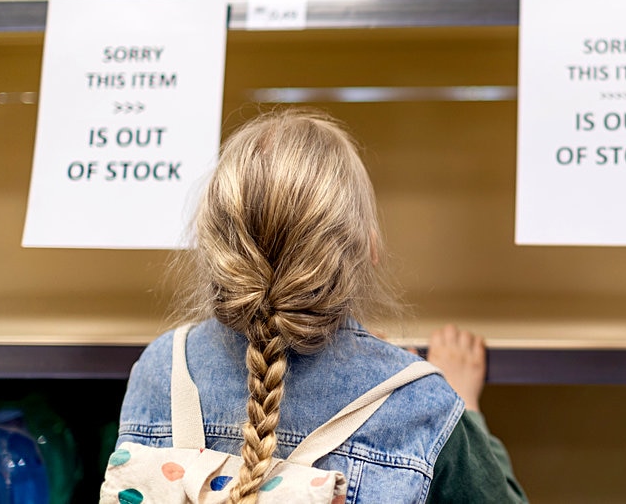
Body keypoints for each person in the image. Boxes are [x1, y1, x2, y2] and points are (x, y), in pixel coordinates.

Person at [115, 109, 527, 503]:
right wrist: (464, 405)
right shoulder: (422, 406)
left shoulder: (160, 368)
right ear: (368, 248)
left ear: (214, 250)